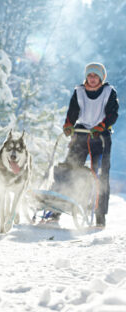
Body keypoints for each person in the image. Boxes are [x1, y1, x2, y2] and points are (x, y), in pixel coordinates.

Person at [53, 62, 119, 227]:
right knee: (68, 168)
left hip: (101, 136)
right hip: (81, 134)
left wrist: (102, 126)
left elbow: (112, 114)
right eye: (89, 75)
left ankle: (99, 216)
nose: (92, 79)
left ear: (101, 78)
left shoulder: (109, 92)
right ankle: (55, 210)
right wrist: (68, 125)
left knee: (100, 176)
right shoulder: (79, 92)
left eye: (95, 76)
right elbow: (73, 112)